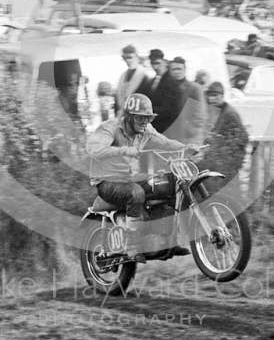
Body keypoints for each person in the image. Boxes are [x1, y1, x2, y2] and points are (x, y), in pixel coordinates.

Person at [85, 93, 199, 262]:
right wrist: (122, 150)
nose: (145, 122)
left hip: (132, 177)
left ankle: (169, 242)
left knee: (169, 182)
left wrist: (186, 147)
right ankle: (132, 247)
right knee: (136, 193)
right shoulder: (110, 128)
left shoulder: (146, 130)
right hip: (107, 181)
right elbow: (93, 149)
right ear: (129, 117)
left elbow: (166, 143)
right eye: (140, 118)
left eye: (148, 118)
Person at [200, 81, 249, 194]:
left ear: (222, 96)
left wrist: (230, 157)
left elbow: (242, 138)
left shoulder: (229, 113)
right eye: (210, 96)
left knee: (229, 192)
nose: (212, 99)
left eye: (215, 96)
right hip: (216, 160)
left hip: (228, 162)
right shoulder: (212, 111)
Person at [165, 56, 206, 144]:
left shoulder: (194, 88)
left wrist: (188, 129)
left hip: (190, 138)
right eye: (174, 69)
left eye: (179, 69)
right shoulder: (166, 89)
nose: (177, 72)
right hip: (170, 138)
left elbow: (200, 114)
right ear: (169, 71)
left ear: (185, 70)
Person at [140, 49, 177, 135]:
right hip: (155, 126)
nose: (155, 67)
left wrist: (147, 111)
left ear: (164, 62)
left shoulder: (171, 82)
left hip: (166, 128)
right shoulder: (153, 81)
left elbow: (169, 109)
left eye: (157, 63)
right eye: (153, 64)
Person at [114, 45, 149, 116]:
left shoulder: (144, 75)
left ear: (136, 57)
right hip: (122, 115)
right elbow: (117, 100)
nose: (128, 61)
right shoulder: (122, 76)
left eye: (130, 57)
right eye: (125, 58)